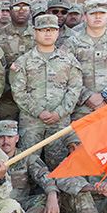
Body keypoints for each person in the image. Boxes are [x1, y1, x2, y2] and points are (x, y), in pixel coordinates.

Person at [11, 13, 83, 167]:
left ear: (58, 32)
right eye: (43, 30)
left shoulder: (69, 60)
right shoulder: (23, 61)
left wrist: (60, 112)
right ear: (35, 32)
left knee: (59, 164)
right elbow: (18, 91)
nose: (48, 33)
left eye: (52, 29)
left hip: (60, 122)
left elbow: (74, 89)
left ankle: (56, 191)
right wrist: (38, 111)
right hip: (31, 122)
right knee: (28, 163)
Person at [65, 0, 107, 120]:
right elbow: (66, 75)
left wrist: (106, 96)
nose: (97, 17)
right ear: (85, 17)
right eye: (92, 14)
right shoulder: (71, 43)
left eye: (102, 13)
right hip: (79, 109)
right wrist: (87, 96)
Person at [0, 120, 57, 213]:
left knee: (48, 200)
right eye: (1, 137)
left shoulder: (27, 157)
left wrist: (52, 194)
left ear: (17, 138)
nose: (6, 141)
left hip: (21, 206)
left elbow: (45, 176)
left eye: (10, 137)